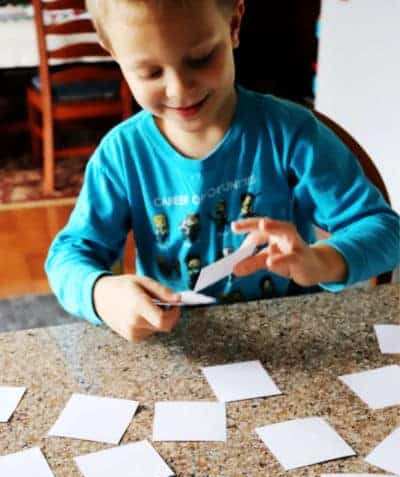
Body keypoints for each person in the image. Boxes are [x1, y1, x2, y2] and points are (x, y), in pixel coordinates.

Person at [45, 0, 400, 342]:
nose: (179, 89)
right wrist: (101, 293)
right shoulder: (122, 155)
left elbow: (386, 232)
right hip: (179, 347)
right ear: (111, 49)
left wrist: (320, 260)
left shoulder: (290, 134)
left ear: (233, 24)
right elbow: (68, 257)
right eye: (150, 72)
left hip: (288, 340)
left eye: (201, 59)